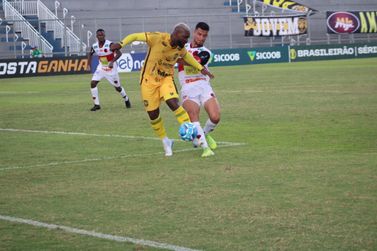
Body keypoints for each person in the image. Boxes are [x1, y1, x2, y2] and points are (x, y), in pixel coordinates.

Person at [111, 23, 214, 156]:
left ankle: (196, 136)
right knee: (153, 115)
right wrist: (121, 44)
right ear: (176, 34)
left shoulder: (180, 47)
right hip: (148, 81)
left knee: (173, 103)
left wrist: (202, 69)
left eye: (187, 38)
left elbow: (188, 57)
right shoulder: (157, 38)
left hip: (166, 79)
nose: (186, 41)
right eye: (184, 38)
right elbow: (135, 36)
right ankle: (166, 140)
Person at [177, 22, 221, 157]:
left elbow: (190, 61)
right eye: (199, 34)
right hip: (187, 87)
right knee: (193, 115)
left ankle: (204, 134)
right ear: (194, 32)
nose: (201, 38)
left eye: (204, 36)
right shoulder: (181, 47)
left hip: (203, 85)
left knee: (215, 117)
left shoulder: (206, 53)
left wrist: (178, 58)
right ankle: (205, 149)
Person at [87, 29, 131, 111]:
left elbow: (119, 53)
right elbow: (90, 53)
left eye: (102, 35)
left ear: (104, 36)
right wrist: (88, 64)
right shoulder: (94, 46)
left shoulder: (110, 45)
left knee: (117, 88)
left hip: (111, 69)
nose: (101, 36)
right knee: (93, 83)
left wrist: (112, 61)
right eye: (99, 35)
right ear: (96, 36)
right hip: (101, 67)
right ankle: (97, 105)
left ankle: (126, 98)